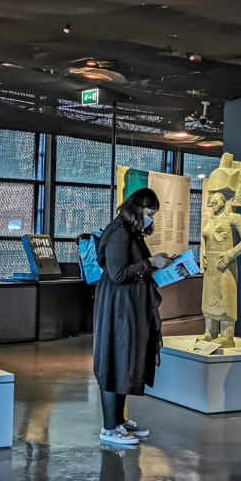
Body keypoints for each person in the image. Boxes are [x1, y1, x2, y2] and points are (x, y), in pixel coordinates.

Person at [93, 188, 171, 446]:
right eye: (150, 213)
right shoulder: (118, 232)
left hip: (130, 307)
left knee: (125, 361)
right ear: (137, 208)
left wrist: (154, 264)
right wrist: (151, 264)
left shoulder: (130, 232)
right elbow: (117, 273)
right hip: (118, 308)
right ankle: (108, 427)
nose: (151, 219)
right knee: (114, 361)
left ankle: (118, 421)